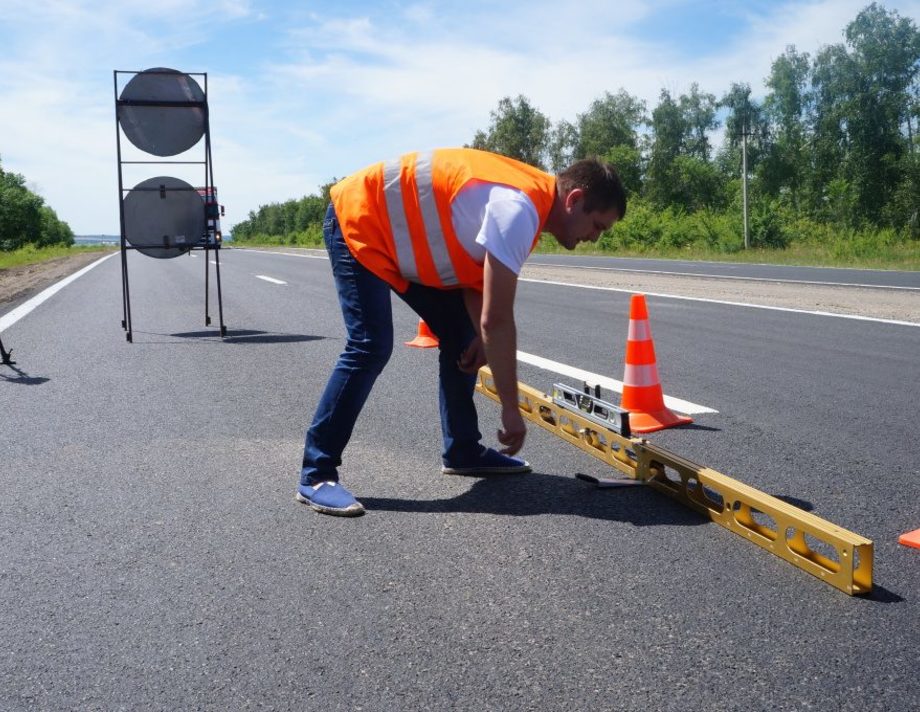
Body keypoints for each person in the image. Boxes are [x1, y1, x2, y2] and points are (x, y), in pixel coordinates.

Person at [297, 147, 626, 516]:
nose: (595, 237)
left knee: (462, 339)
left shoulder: (528, 202)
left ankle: (462, 450)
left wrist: (480, 338)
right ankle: (316, 473)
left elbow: (474, 280)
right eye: (597, 225)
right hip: (358, 220)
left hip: (398, 240)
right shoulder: (519, 209)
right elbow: (497, 321)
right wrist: (510, 411)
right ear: (575, 199)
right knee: (370, 346)